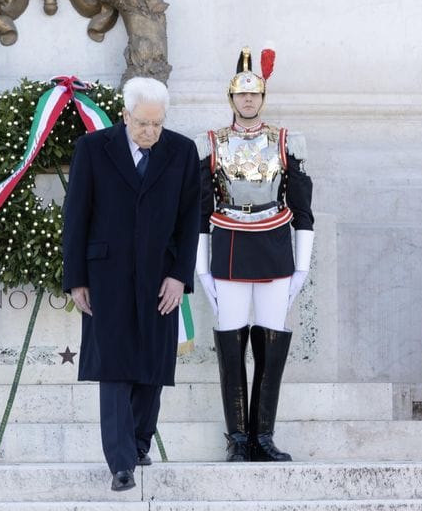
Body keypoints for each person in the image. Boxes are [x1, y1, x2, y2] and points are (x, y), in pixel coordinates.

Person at [62, 77, 200, 491]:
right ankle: (120, 461)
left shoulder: (182, 151)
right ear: (124, 115)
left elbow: (190, 220)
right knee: (115, 366)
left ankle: (140, 442)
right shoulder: (93, 148)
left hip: (162, 275)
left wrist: (180, 276)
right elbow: (76, 216)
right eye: (143, 124)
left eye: (157, 124)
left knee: (152, 366)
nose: (150, 133)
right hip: (107, 275)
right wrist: (76, 279)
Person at [195, 46, 314, 462]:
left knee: (270, 342)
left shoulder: (285, 141)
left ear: (263, 97)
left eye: (255, 94)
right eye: (241, 95)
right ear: (231, 99)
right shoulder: (211, 144)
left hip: (274, 244)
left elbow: (303, 208)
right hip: (228, 243)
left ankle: (264, 435)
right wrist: (200, 266)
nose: (248, 100)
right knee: (231, 344)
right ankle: (238, 439)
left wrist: (302, 264)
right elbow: (200, 209)